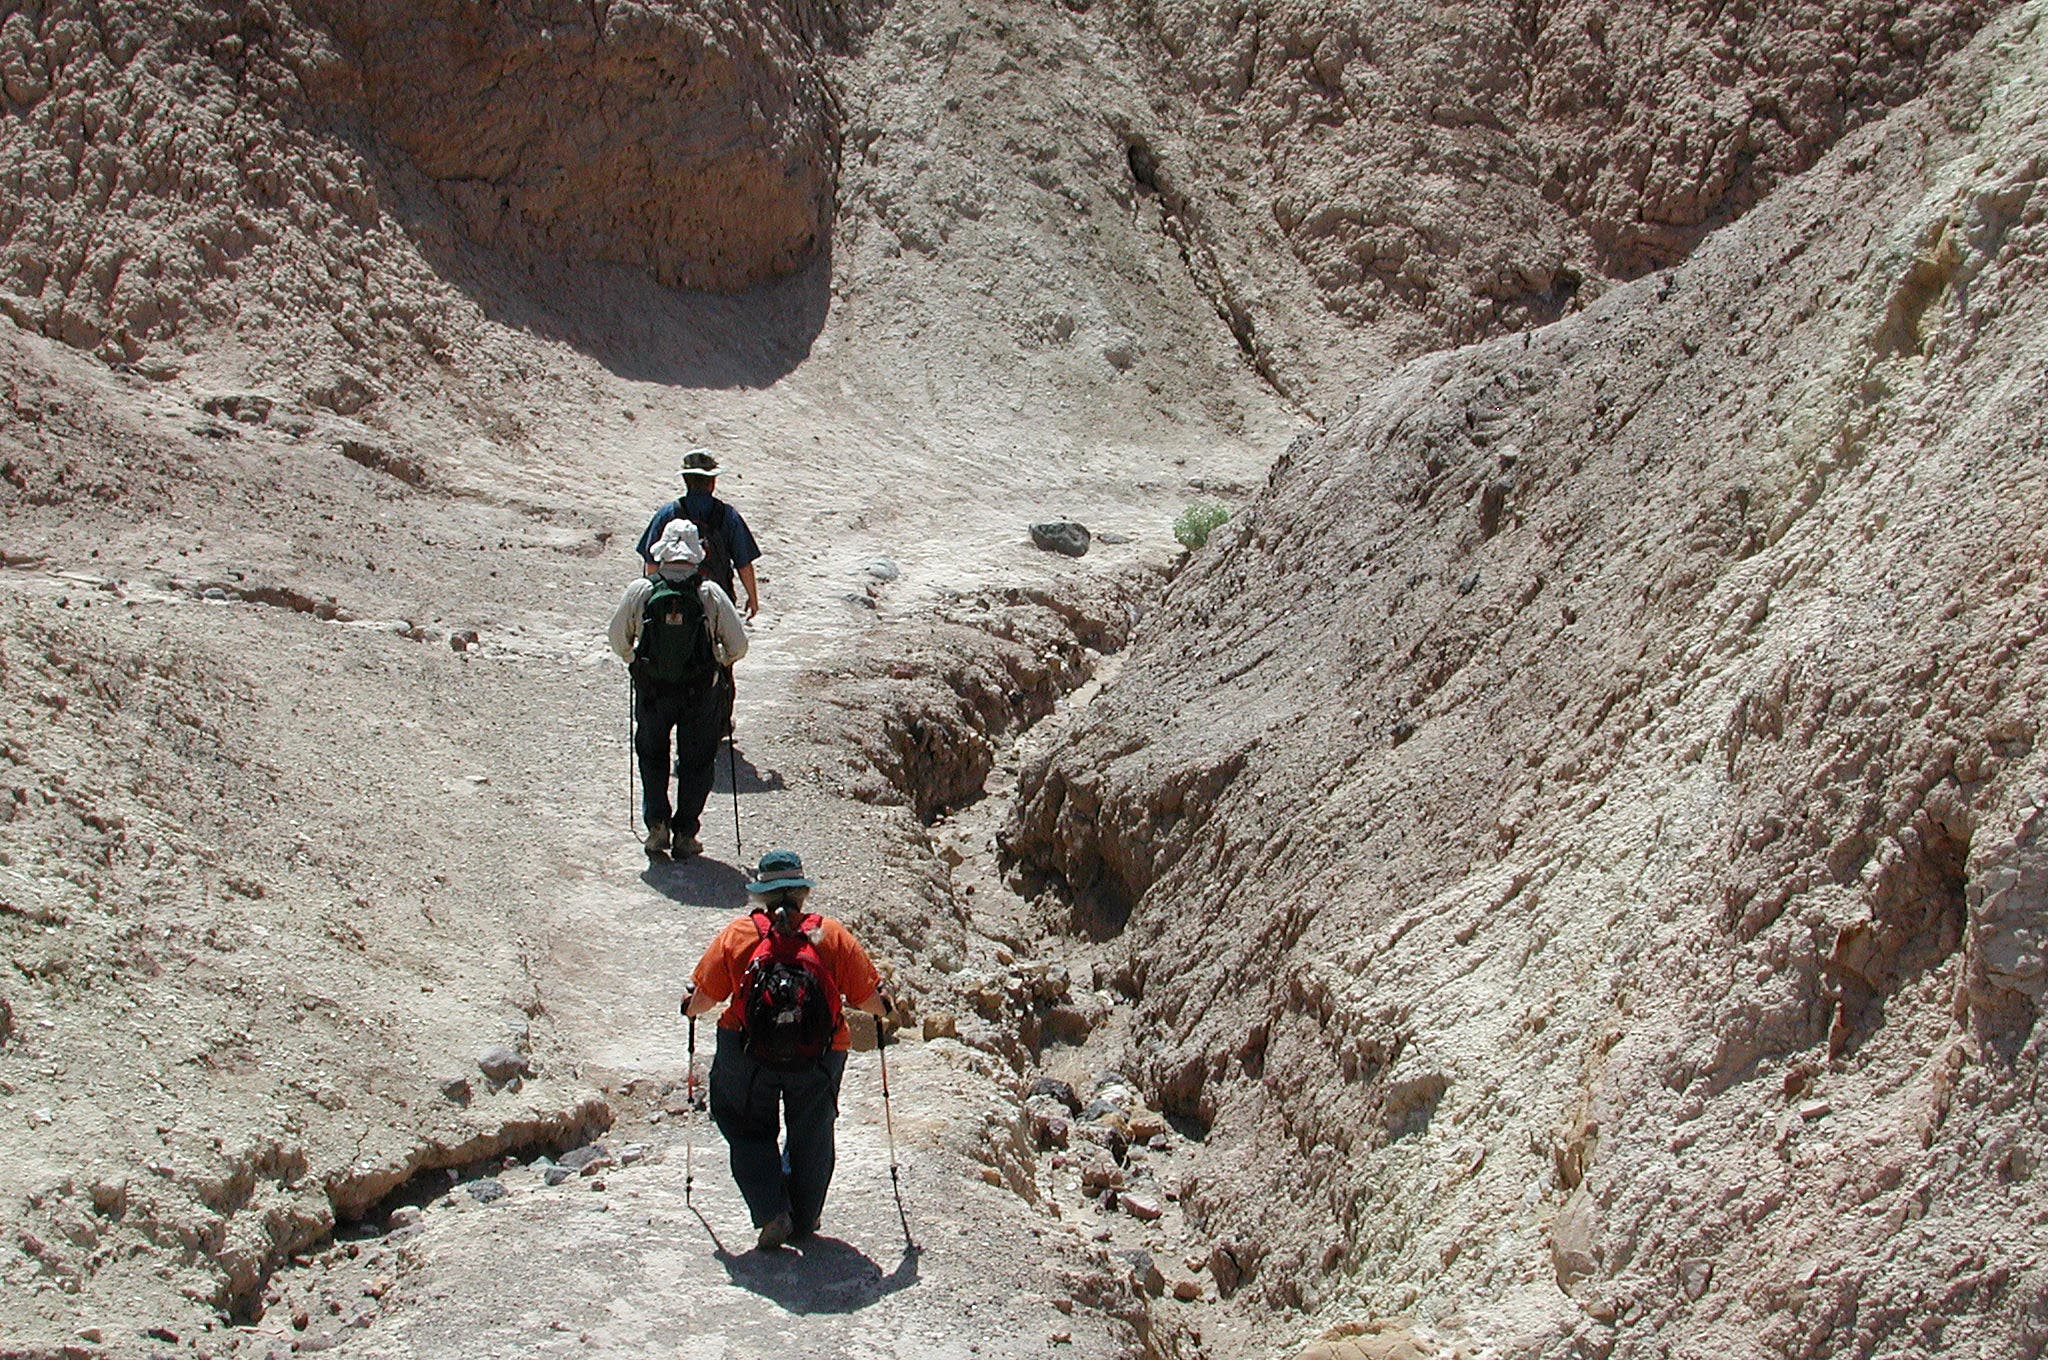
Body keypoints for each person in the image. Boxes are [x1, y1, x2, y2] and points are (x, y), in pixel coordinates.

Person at [683, 849, 887, 1251]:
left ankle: (771, 1209)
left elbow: (704, 999)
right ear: (802, 893)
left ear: (762, 894)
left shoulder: (739, 935)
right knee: (812, 1130)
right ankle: (804, 1216)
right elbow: (870, 1000)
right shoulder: (830, 936)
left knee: (744, 1124)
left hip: (746, 1049)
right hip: (821, 1050)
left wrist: (688, 1007)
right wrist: (885, 1005)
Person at [608, 519, 748, 857]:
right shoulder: (709, 592)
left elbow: (617, 638)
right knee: (697, 761)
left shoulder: (642, 590)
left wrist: (634, 660)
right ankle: (686, 832)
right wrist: (718, 661)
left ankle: (657, 824)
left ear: (664, 552)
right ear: (697, 554)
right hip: (699, 691)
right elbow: (739, 645)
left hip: (653, 690)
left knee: (652, 755)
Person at [636, 447, 763, 621]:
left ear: (685, 480)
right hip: (717, 599)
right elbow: (743, 563)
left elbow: (651, 561)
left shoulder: (667, 514)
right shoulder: (728, 516)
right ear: (712, 483)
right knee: (734, 646)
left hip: (671, 600)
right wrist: (752, 598)